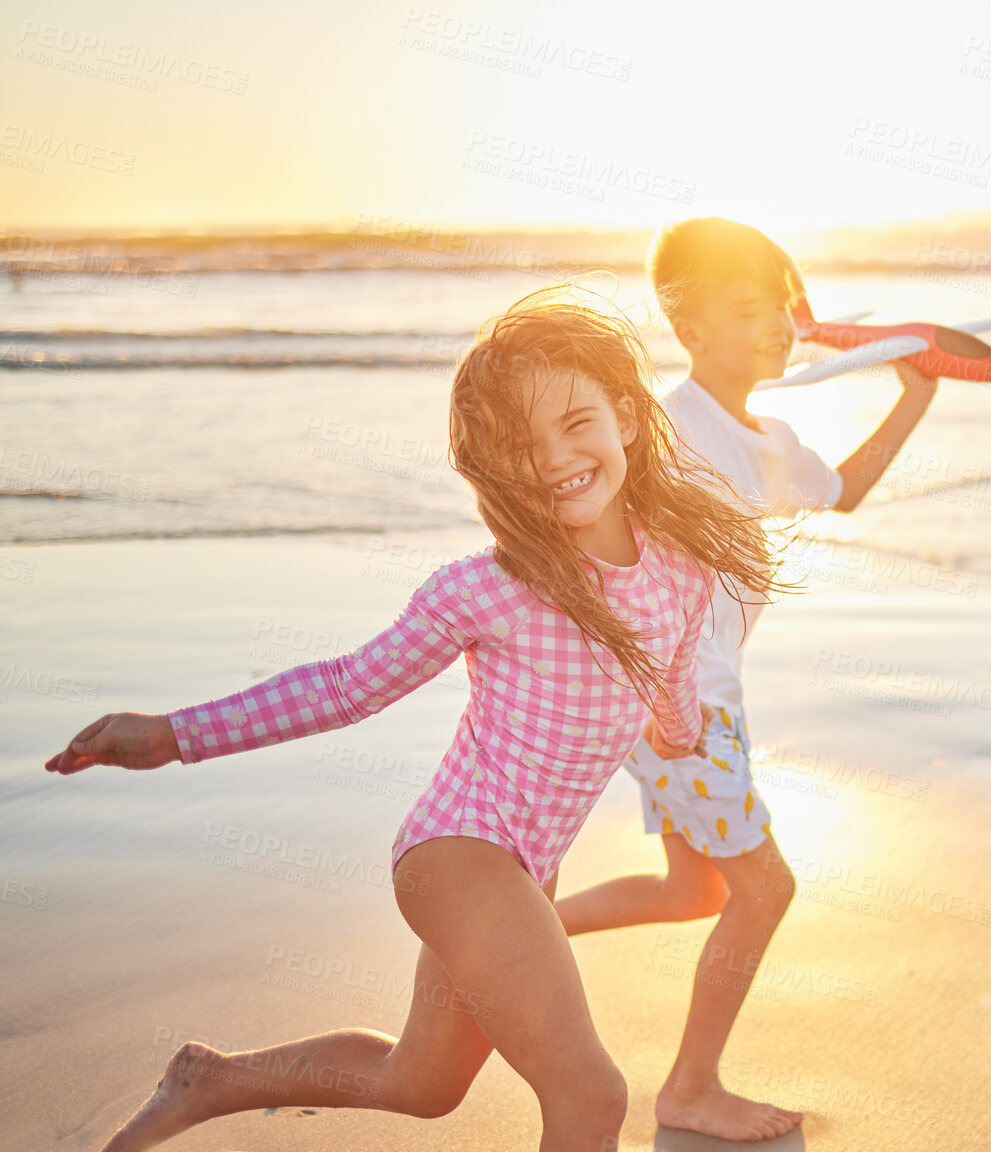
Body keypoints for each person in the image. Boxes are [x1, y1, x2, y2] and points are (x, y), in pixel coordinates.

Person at [42, 286, 778, 1152]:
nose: (554, 458)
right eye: (520, 444)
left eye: (575, 422)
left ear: (624, 415)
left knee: (421, 1083)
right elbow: (346, 686)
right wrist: (172, 735)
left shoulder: (681, 572)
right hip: (457, 855)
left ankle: (211, 1080)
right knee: (591, 1097)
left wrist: (679, 732)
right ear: (494, 467)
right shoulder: (488, 589)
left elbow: (673, 683)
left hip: (525, 871)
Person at [551, 217, 939, 1141]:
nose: (771, 325)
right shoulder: (665, 432)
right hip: (676, 708)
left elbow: (842, 491)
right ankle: (690, 1088)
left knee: (695, 892)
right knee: (765, 890)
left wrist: (913, 400)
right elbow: (596, 541)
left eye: (778, 306)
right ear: (688, 329)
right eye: (743, 308)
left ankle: (511, 930)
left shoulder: (767, 435)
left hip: (706, 699)